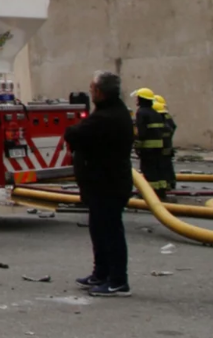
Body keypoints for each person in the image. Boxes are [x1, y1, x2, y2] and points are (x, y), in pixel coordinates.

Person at [64, 70, 134, 297]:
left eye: (93, 89)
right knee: (99, 230)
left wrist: (72, 132)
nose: (91, 92)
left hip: (108, 185)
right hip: (100, 184)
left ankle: (118, 281)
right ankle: (101, 273)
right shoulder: (108, 112)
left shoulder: (108, 117)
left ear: (101, 93)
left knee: (110, 232)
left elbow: (74, 132)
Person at [132, 88, 169, 200]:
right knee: (158, 170)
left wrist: (137, 145)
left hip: (147, 147)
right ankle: (161, 192)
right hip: (158, 146)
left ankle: (148, 194)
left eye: (138, 98)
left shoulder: (141, 112)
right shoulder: (155, 113)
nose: (137, 100)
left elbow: (142, 132)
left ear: (142, 99)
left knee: (148, 170)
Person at [154, 94, 177, 192]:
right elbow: (173, 127)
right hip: (167, 145)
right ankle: (170, 183)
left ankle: (163, 186)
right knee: (167, 165)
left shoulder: (158, 116)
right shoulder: (167, 115)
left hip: (161, 146)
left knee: (161, 166)